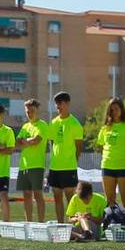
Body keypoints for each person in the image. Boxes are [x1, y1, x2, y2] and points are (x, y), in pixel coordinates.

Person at [95, 97, 125, 216]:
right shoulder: (105, 128)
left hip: (124, 167)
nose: (114, 111)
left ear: (122, 110)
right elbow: (100, 146)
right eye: (111, 109)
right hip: (108, 167)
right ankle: (111, 226)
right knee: (110, 200)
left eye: (116, 108)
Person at [46, 91, 84, 223]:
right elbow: (52, 143)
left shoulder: (75, 124)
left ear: (68, 103)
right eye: (56, 104)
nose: (58, 107)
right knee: (57, 197)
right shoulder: (53, 123)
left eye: (60, 103)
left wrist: (72, 160)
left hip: (69, 167)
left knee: (70, 199)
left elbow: (79, 147)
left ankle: (74, 226)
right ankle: (60, 225)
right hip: (55, 167)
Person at [14, 98, 49, 222]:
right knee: (26, 195)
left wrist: (26, 141)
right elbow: (17, 143)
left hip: (37, 165)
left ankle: (40, 223)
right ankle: (28, 222)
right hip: (24, 165)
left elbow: (36, 141)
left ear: (37, 111)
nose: (29, 114)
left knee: (38, 195)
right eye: (27, 111)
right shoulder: (25, 126)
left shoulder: (43, 125)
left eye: (32, 111)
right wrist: (26, 141)